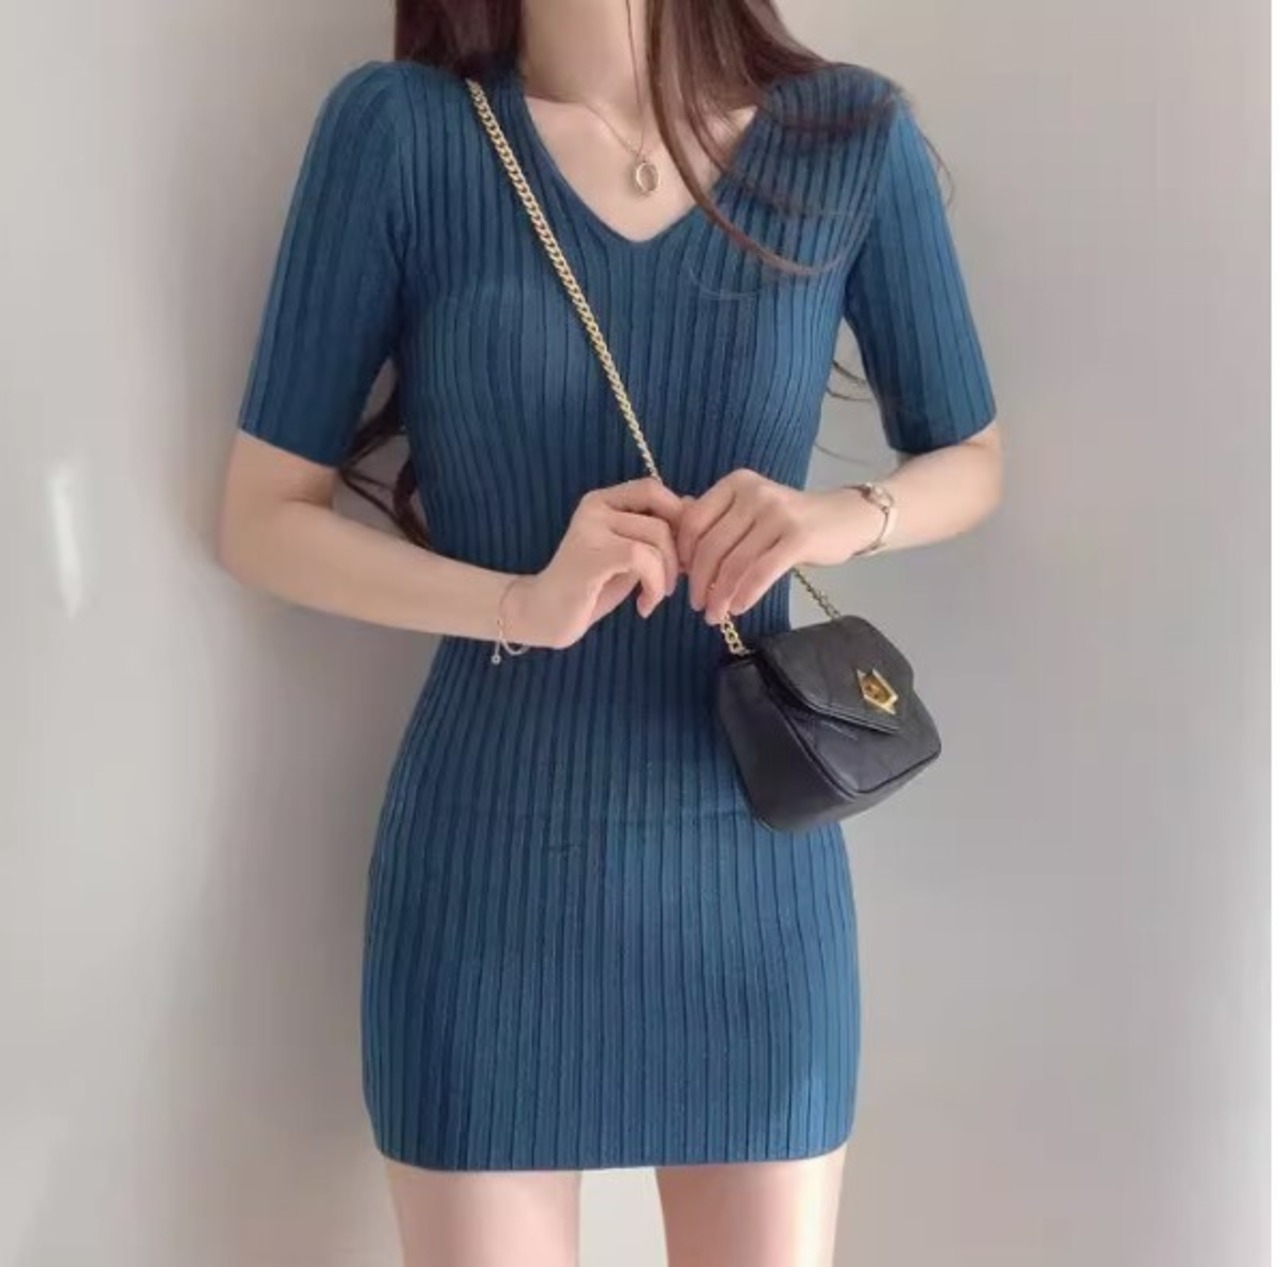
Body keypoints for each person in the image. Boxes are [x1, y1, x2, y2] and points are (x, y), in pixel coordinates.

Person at [216, 0, 1003, 1262]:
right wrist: (518, 602)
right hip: (487, 873)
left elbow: (968, 458)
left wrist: (828, 520)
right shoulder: (402, 134)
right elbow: (260, 519)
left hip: (755, 878)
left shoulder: (845, 138)